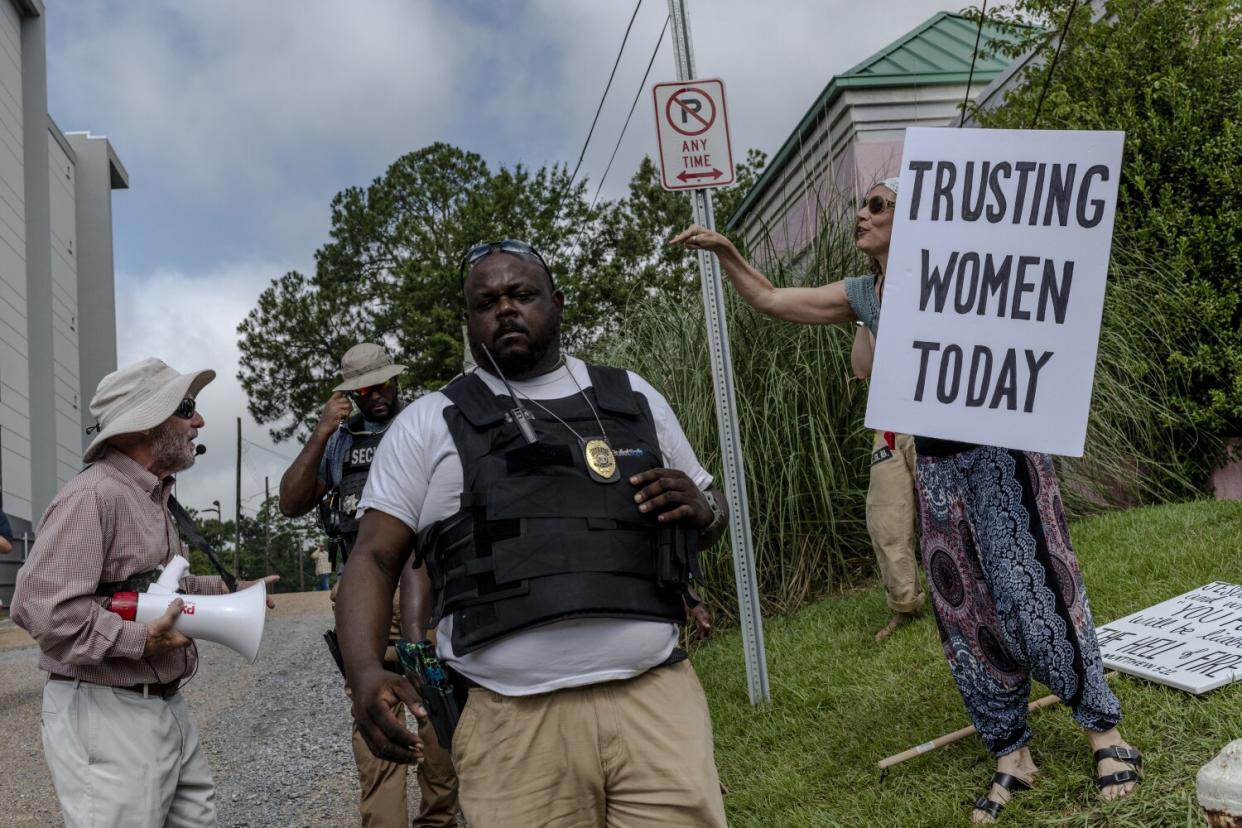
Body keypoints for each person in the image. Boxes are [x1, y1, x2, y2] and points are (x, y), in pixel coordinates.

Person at [673, 178, 1140, 823]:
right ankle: (1012, 751)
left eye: (877, 205)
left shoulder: (960, 271)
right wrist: (727, 252)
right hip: (938, 467)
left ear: (914, 216)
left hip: (1004, 450)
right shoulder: (867, 294)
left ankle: (1104, 733)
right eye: (860, 205)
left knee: (1032, 591)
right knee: (965, 609)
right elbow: (774, 298)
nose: (860, 215)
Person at [336, 239, 730, 827]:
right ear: (469, 320)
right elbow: (371, 559)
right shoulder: (428, 423)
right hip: (511, 724)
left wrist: (707, 510)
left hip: (656, 703)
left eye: (522, 294)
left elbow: (708, 505)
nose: (505, 309)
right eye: (486, 301)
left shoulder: (633, 396)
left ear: (558, 303)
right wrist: (365, 670)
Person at [10, 357, 277, 828]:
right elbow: (41, 609)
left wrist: (231, 591)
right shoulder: (94, 496)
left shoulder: (151, 495)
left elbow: (151, 591)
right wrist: (140, 641)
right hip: (107, 711)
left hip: (158, 703)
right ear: (145, 423)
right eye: (186, 408)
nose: (198, 421)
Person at [279, 343, 459, 828]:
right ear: (350, 393)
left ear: (397, 379)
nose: (376, 394)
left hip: (428, 586)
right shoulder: (341, 440)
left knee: (436, 712)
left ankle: (438, 819)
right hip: (366, 593)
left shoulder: (427, 422)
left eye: (383, 382)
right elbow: (291, 502)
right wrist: (321, 432)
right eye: (365, 388)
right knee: (375, 717)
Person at [851, 324, 925, 641]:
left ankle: (973, 595)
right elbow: (861, 368)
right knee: (885, 516)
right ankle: (905, 604)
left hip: (930, 414)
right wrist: (863, 320)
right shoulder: (870, 296)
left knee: (948, 509)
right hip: (890, 427)